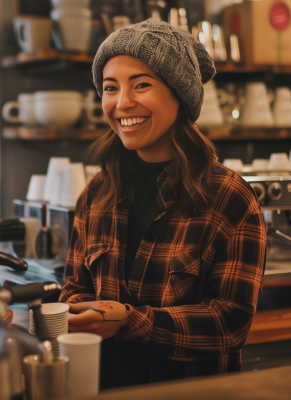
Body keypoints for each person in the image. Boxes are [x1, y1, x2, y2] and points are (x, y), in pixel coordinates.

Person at [59, 20, 266, 389]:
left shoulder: (229, 197)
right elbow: (75, 287)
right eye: (111, 88)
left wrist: (128, 320)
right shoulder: (96, 194)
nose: (122, 103)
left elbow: (229, 323)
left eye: (141, 85)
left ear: (180, 94)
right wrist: (74, 311)